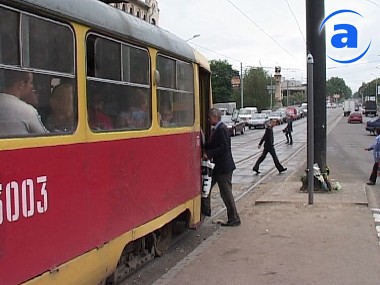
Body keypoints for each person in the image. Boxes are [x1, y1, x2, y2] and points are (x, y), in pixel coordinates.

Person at [202, 108, 241, 227]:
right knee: (206, 189)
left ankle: (234, 218)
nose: (208, 120)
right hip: (218, 168)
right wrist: (203, 146)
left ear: (215, 117)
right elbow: (214, 144)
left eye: (209, 118)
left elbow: (223, 147)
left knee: (226, 193)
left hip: (224, 168)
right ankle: (206, 211)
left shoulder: (222, 129)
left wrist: (209, 154)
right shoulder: (218, 129)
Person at [0, 70, 47, 136]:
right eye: (30, 83)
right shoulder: (27, 111)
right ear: (21, 84)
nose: (32, 86)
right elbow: (46, 137)